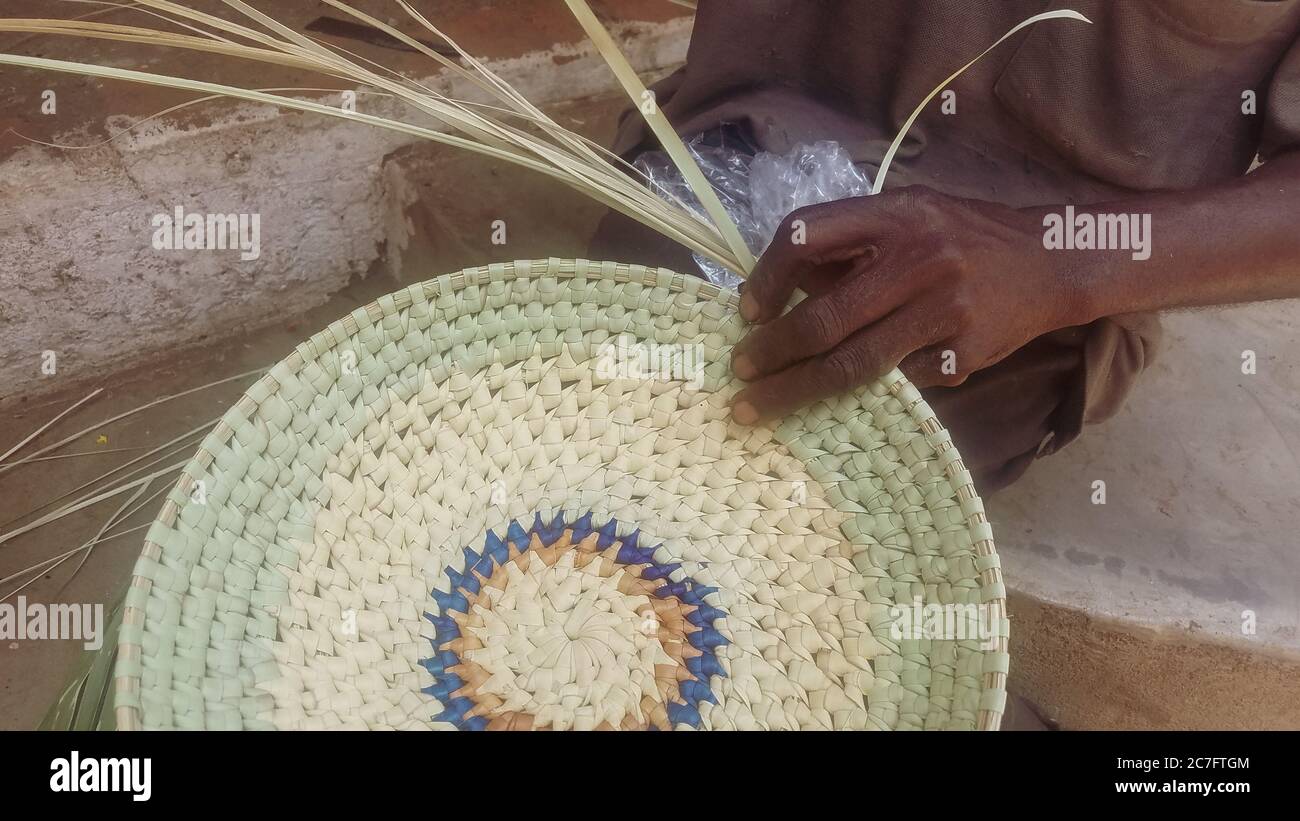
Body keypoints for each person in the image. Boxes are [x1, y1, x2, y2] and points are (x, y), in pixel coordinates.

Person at [590, 0, 1300, 491]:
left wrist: (1059, 261)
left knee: (793, 523)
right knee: (575, 442)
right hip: (724, 155)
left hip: (1019, 299)